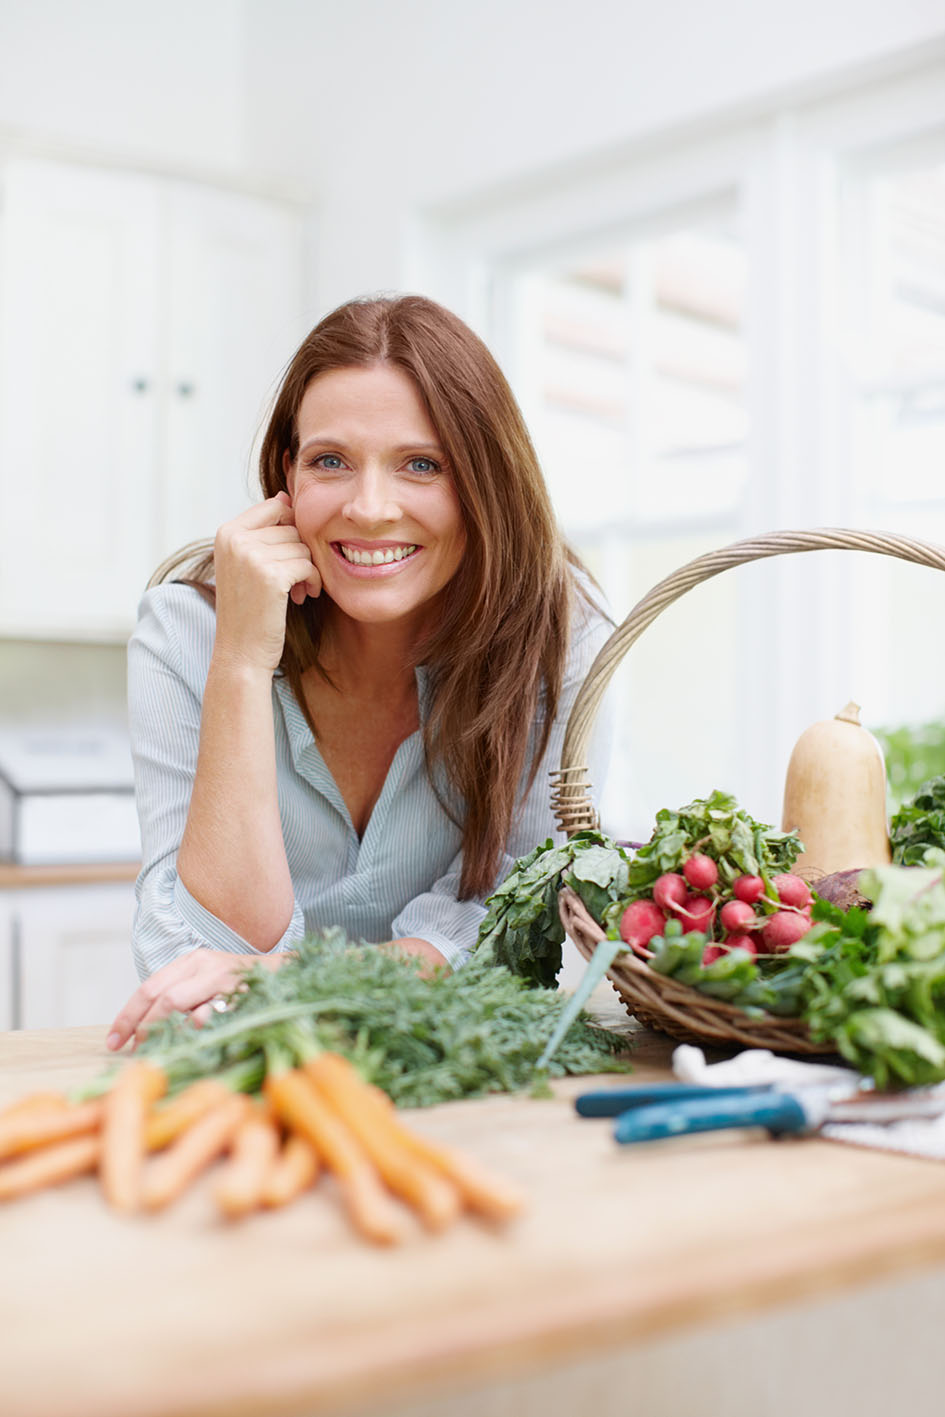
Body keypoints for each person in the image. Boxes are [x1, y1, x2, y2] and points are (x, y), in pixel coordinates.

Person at [106, 294, 612, 1051]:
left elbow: (524, 914)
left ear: (485, 480)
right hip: (247, 1059)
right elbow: (207, 950)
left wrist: (301, 984)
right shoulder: (187, 632)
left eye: (421, 464)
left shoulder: (558, 639)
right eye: (330, 461)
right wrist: (242, 662)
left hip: (451, 1061)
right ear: (287, 475)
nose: (370, 508)